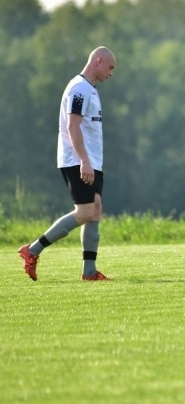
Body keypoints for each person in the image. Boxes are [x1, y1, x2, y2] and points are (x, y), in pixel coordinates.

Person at [18, 46, 117, 281]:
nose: (112, 73)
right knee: (84, 212)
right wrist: (84, 161)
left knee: (95, 210)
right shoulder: (80, 88)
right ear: (98, 61)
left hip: (91, 161)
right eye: (110, 67)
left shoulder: (90, 89)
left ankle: (89, 272)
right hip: (78, 160)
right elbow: (73, 126)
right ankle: (32, 250)